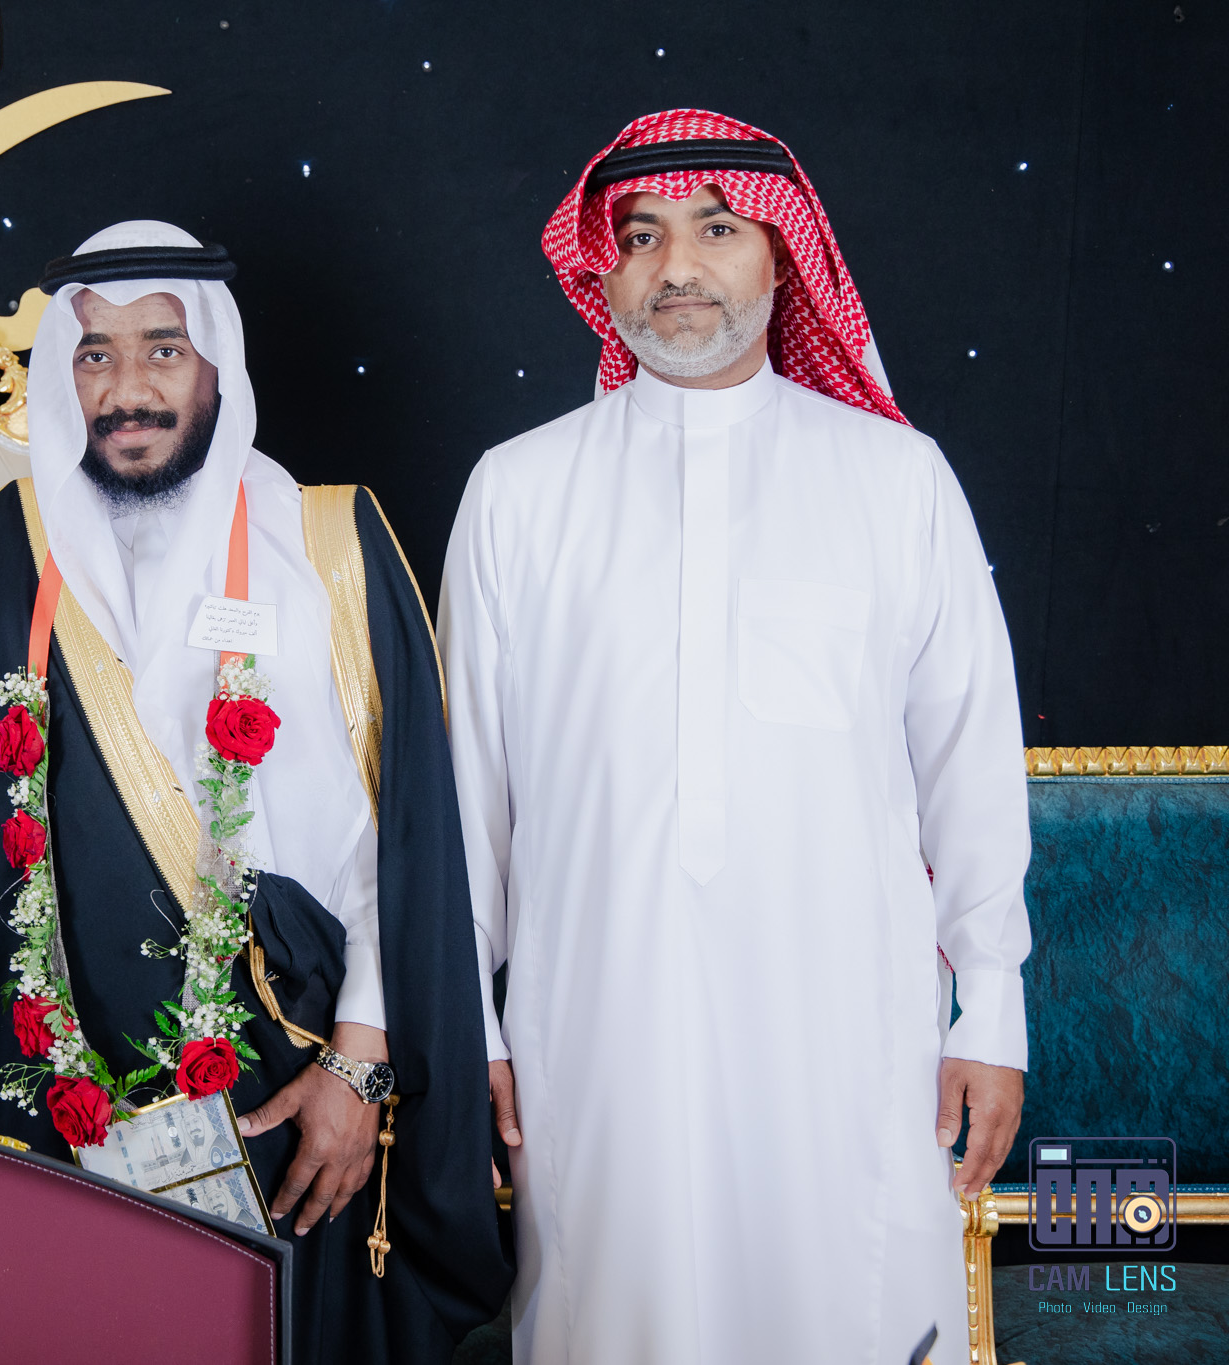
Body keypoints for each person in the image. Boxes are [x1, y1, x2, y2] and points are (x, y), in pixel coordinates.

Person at [439, 111, 1032, 1365]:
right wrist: (468, 1026)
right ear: (601, 272)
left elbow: (969, 768)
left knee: (839, 1301)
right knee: (615, 1306)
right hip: (590, 1015)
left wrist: (990, 1011)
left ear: (782, 257)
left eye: (716, 230)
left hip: (845, 1018)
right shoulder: (517, 491)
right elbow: (468, 796)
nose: (676, 268)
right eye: (639, 237)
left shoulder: (894, 479)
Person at [0, 221, 510, 1361]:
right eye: (95, 355)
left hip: (293, 1091)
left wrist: (357, 1066)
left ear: (218, 362)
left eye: (162, 350)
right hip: (51, 1112)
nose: (127, 390)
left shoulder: (329, 545)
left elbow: (410, 838)